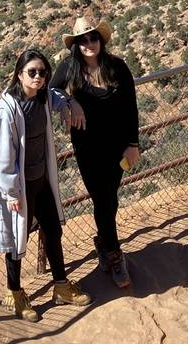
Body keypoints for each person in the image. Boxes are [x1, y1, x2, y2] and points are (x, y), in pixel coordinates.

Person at [0, 48, 92, 322]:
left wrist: (71, 102)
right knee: (17, 239)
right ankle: (15, 294)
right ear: (19, 74)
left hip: (42, 179)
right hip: (20, 187)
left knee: (53, 230)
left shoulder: (44, 98)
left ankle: (60, 286)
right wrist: (10, 191)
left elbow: (59, 97)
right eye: (31, 72)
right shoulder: (9, 110)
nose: (38, 77)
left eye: (42, 72)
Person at [49, 16, 140, 289]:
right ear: (76, 45)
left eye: (92, 38)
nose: (89, 44)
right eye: (82, 40)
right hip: (87, 149)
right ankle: (115, 256)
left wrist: (133, 144)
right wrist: (69, 100)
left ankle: (103, 242)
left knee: (110, 201)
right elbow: (50, 89)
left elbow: (130, 107)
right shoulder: (69, 68)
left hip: (117, 147)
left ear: (101, 40)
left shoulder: (117, 67)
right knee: (101, 200)